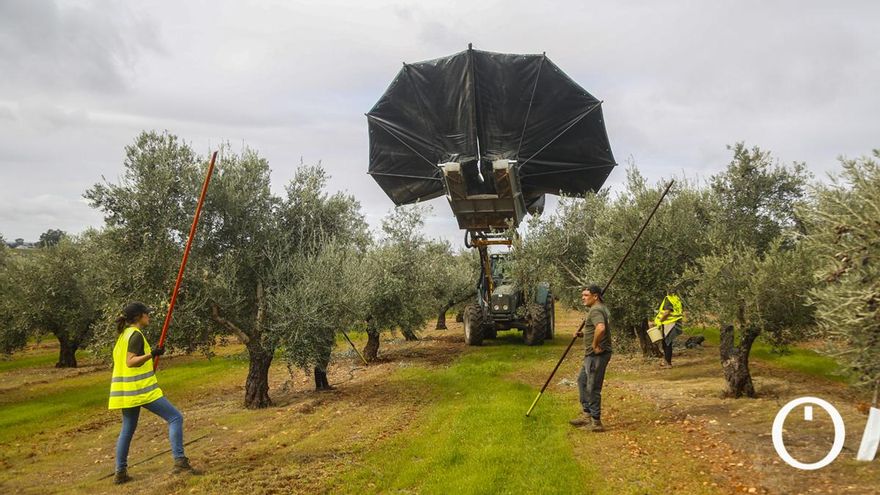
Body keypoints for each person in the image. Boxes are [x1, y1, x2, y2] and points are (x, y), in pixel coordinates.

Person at [109, 302, 193, 484]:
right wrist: (152, 354)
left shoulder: (124, 335)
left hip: (125, 392)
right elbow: (131, 362)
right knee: (175, 418)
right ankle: (180, 462)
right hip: (141, 390)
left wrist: (152, 355)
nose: (149, 316)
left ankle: (120, 473)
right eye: (147, 313)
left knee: (127, 429)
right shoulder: (136, 336)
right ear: (139, 316)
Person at [570, 284, 612, 432]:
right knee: (582, 381)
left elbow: (601, 328)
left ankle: (596, 422)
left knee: (592, 386)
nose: (583, 298)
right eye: (583, 295)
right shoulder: (600, 308)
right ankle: (586, 415)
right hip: (591, 354)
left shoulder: (595, 310)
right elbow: (596, 328)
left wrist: (594, 344)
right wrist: (583, 335)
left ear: (595, 296)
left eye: (586, 295)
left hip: (596, 355)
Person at [650, 291, 684, 367]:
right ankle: (666, 361)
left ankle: (668, 363)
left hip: (670, 324)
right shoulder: (676, 299)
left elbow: (667, 312)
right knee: (667, 343)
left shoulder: (668, 299)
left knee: (667, 343)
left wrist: (660, 320)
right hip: (675, 322)